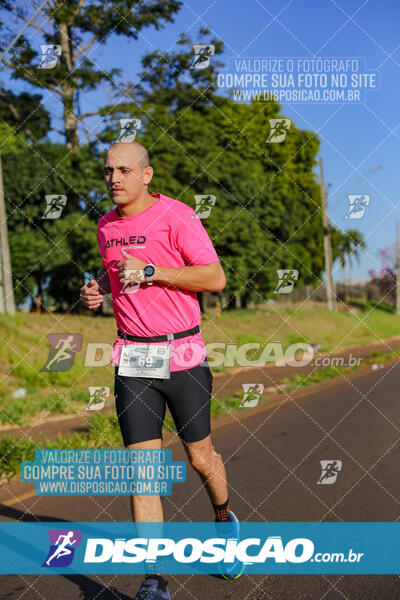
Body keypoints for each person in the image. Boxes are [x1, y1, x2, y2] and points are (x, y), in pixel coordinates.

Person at [80, 141, 244, 599]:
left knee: (201, 459)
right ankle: (154, 580)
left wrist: (153, 270)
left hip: (182, 355)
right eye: (108, 170)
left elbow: (214, 278)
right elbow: (119, 278)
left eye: (124, 170)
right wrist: (100, 295)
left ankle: (223, 522)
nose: (114, 178)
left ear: (146, 175)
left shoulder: (178, 215)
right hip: (132, 359)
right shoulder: (105, 225)